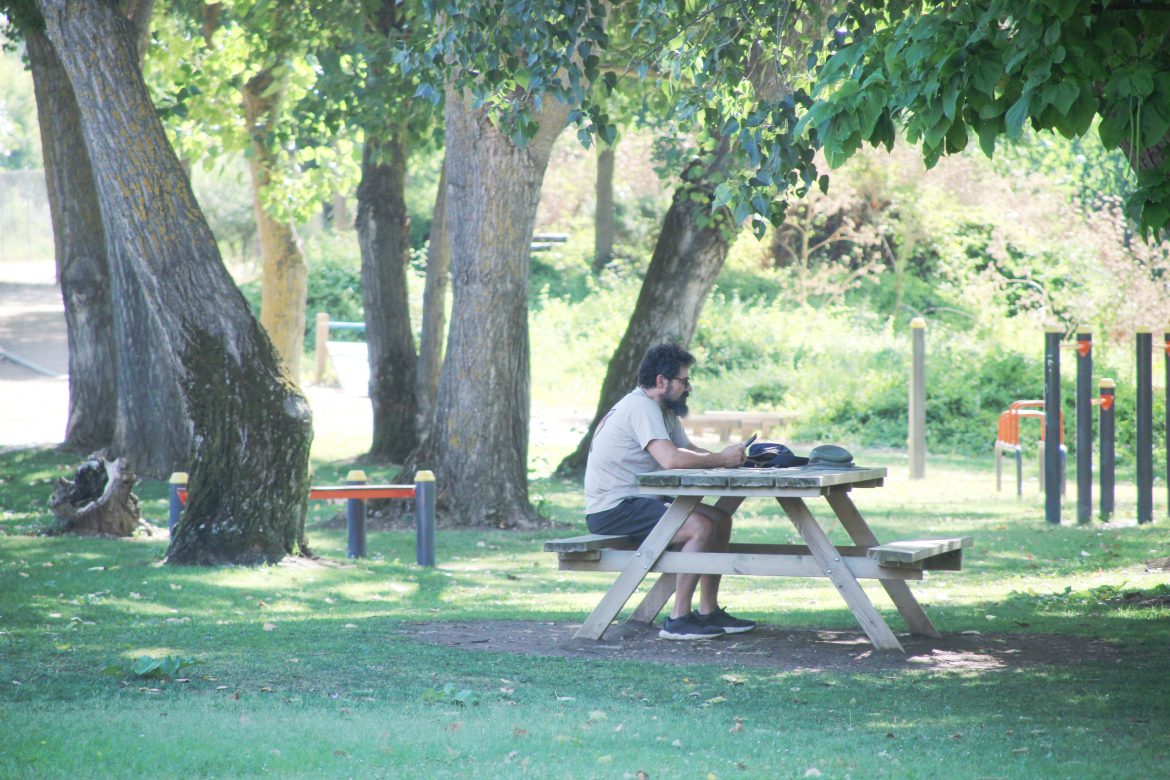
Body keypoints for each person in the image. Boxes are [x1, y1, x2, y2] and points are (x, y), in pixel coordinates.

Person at [584, 343, 756, 640]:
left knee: (720, 519)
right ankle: (678, 620)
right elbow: (672, 459)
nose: (688, 387)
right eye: (684, 381)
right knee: (700, 527)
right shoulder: (640, 407)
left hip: (638, 502)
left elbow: (689, 451)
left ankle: (708, 611)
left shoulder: (663, 410)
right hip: (613, 510)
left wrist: (732, 460)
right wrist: (719, 460)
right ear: (662, 381)